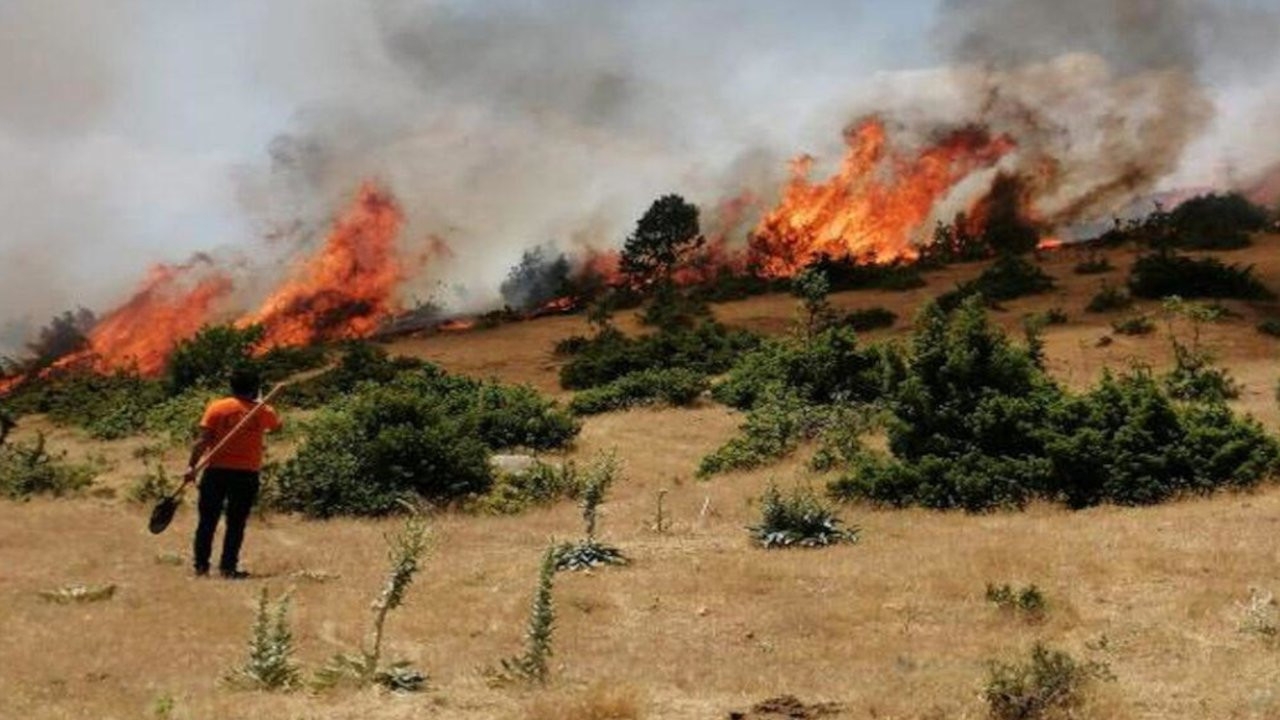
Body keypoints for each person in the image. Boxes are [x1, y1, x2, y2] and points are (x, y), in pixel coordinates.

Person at [184, 367, 281, 579]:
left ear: (232, 386)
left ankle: (201, 567)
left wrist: (191, 466)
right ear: (255, 388)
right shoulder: (264, 411)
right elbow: (277, 426)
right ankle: (228, 568)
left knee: (207, 521)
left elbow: (202, 440)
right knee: (236, 523)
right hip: (245, 475)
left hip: (216, 472)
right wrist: (261, 402)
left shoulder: (217, 407)